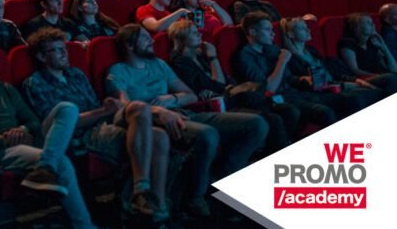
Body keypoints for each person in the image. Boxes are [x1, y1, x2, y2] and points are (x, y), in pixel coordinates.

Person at [107, 24, 268, 218]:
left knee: (256, 124)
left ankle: (220, 179)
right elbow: (125, 107)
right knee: (208, 134)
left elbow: (190, 95)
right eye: (144, 37)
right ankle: (196, 197)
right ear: (129, 45)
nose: (151, 40)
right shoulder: (118, 71)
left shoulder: (159, 64)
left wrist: (172, 98)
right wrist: (157, 110)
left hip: (183, 112)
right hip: (156, 121)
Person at [0, 39, 98, 229]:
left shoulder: (6, 89)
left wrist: (23, 129)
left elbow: (34, 122)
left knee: (68, 108)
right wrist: (3, 140)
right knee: (62, 162)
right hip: (0, 151)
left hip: (28, 140)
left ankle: (45, 166)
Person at [22, 28, 170, 221]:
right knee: (158, 137)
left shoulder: (76, 74)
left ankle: (154, 204)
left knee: (140, 109)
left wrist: (107, 107)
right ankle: (147, 201)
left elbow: (95, 106)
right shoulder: (35, 83)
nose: (64, 53)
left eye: (64, 48)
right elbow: (59, 126)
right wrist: (103, 111)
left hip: (102, 122)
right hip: (82, 134)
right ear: (42, 56)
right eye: (57, 50)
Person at [168, 19, 295, 152]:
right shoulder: (181, 63)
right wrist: (213, 57)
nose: (200, 34)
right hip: (217, 105)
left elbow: (225, 80)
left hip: (229, 98)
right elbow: (218, 85)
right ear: (182, 39)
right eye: (194, 33)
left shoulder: (201, 57)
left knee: (286, 110)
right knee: (274, 119)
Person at [281, 17, 391, 112]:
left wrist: (354, 80)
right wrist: (345, 85)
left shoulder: (311, 51)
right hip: (320, 93)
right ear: (291, 34)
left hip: (335, 85)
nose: (308, 30)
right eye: (302, 28)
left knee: (375, 92)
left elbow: (331, 72)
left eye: (307, 27)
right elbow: (306, 84)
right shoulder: (290, 57)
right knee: (357, 97)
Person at [339, 13, 397, 79]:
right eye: (368, 22)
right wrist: (380, 77)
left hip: (384, 77)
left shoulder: (372, 43)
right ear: (356, 27)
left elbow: (394, 69)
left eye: (372, 22)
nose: (373, 25)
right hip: (368, 78)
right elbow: (354, 70)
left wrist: (384, 46)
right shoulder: (347, 43)